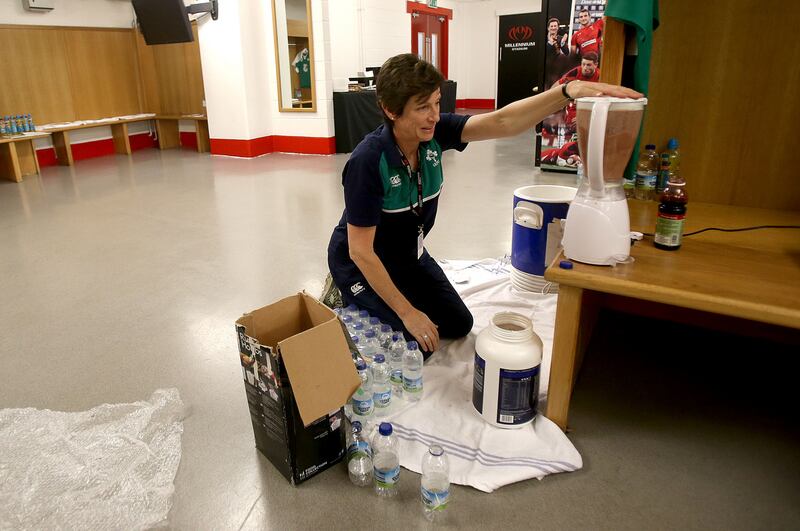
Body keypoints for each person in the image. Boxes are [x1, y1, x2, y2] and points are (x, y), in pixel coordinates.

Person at [326, 53, 640, 357]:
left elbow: (504, 121)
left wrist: (567, 92)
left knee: (458, 324)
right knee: (414, 346)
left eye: (437, 102)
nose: (435, 115)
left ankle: (395, 294)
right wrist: (408, 313)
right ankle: (343, 293)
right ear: (391, 110)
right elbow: (361, 251)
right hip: (361, 264)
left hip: (408, 254)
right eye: (423, 107)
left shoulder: (432, 135)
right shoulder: (368, 161)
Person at [555, 52, 601, 132]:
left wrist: (585, 116)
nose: (585, 67)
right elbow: (554, 88)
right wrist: (561, 102)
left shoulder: (601, 76)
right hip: (574, 108)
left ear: (596, 65)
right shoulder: (575, 73)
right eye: (583, 64)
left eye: (588, 65)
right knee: (576, 125)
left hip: (592, 109)